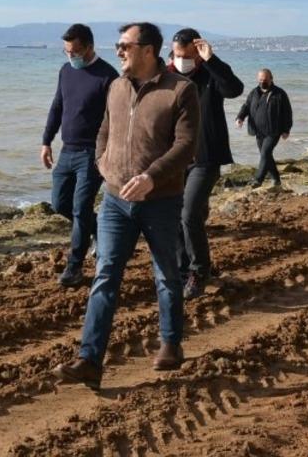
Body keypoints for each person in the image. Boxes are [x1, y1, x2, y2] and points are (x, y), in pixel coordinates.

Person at [54, 22, 199, 389]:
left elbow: (186, 145)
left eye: (125, 45)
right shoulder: (116, 87)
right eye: (118, 45)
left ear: (148, 50)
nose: (118, 50)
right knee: (105, 275)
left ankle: (171, 344)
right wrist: (103, 165)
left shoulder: (181, 90)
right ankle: (90, 360)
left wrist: (151, 176)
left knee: (166, 274)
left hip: (161, 200)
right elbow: (105, 130)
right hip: (115, 201)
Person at [168, 28, 244, 300]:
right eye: (176, 55)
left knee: (189, 214)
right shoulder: (167, 77)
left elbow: (234, 89)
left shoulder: (210, 74)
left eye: (186, 56)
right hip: (175, 159)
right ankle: (182, 271)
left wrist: (212, 60)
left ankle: (199, 271)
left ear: (198, 52)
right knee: (176, 216)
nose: (180, 60)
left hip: (206, 157)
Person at [41, 23, 119, 287]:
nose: (70, 56)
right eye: (66, 51)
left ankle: (74, 268)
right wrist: (46, 141)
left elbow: (116, 119)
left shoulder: (108, 76)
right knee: (60, 204)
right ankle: (99, 230)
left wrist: (108, 155)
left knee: (80, 208)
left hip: (92, 153)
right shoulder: (66, 71)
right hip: (67, 150)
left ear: (89, 47)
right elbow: (57, 106)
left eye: (74, 51)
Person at [234, 69, 292, 188]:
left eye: (265, 80)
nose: (262, 82)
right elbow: (246, 106)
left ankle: (258, 180)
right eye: (260, 80)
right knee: (266, 156)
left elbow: (287, 112)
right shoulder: (254, 92)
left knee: (265, 153)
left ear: (271, 79)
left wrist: (286, 129)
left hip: (273, 131)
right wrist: (240, 117)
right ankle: (276, 179)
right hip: (258, 131)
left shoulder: (280, 94)